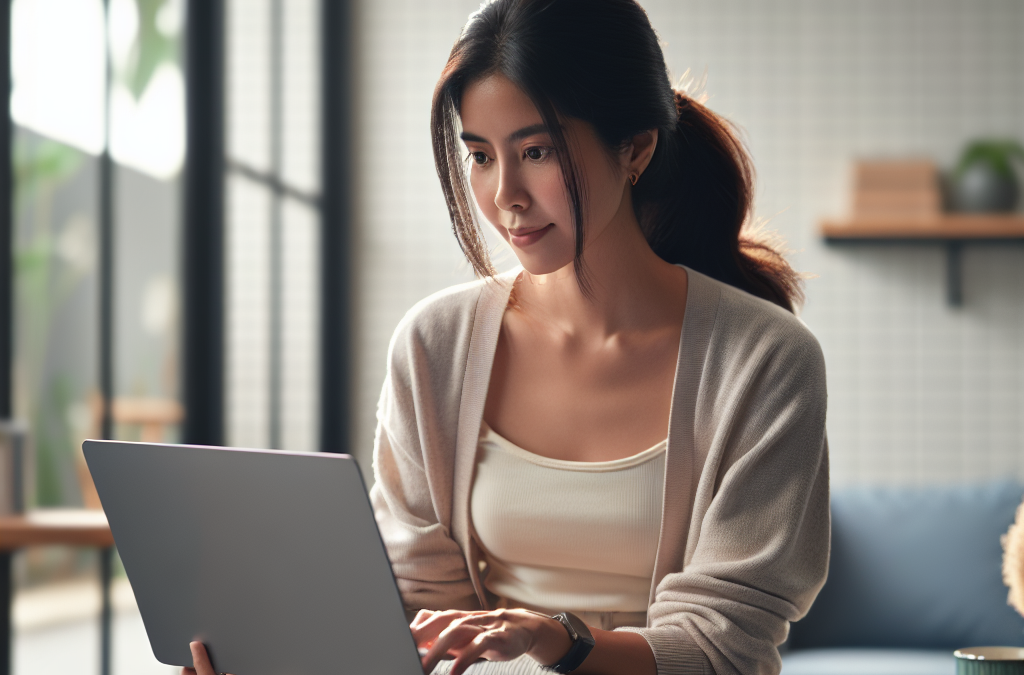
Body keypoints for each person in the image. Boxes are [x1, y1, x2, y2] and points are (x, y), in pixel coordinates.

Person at [185, 1, 828, 674]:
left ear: (635, 147)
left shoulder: (767, 360)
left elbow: (723, 642)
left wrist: (560, 640)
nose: (505, 196)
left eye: (536, 151)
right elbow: (421, 616)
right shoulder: (435, 343)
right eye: (482, 156)